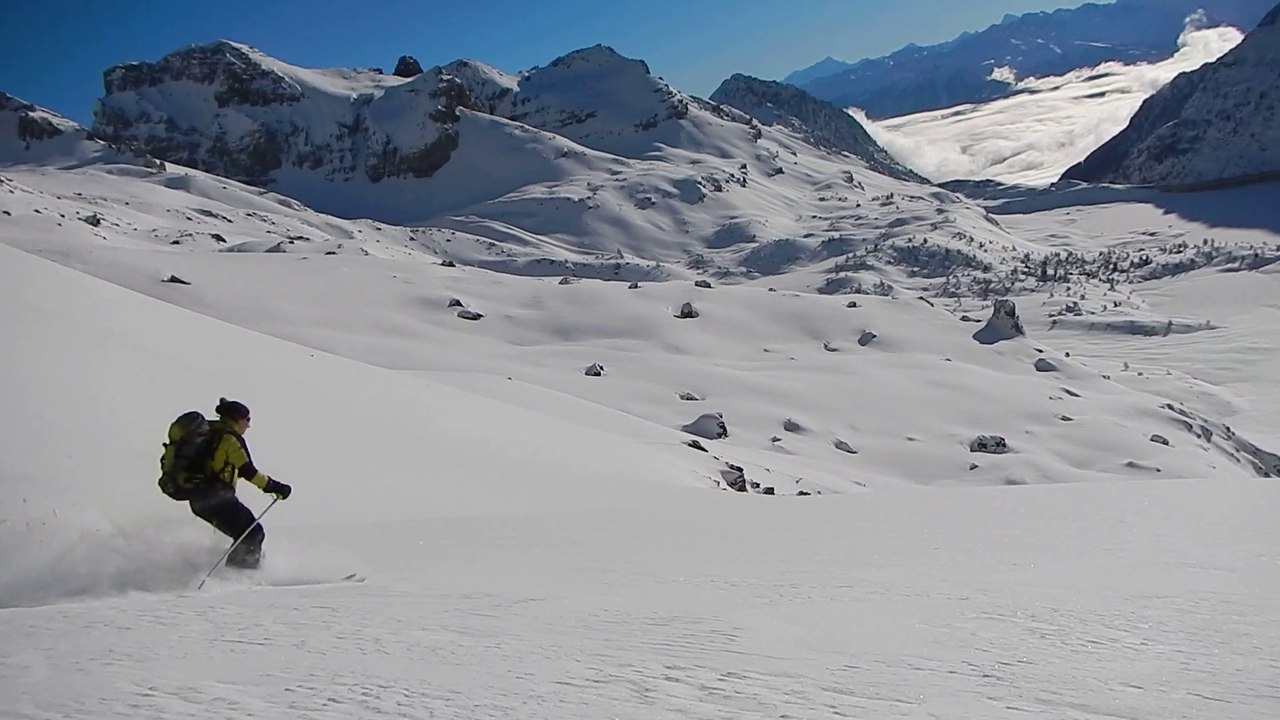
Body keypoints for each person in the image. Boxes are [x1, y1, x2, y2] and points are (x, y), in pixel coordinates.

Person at [189, 398, 292, 569]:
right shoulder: (229, 439)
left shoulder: (210, 433)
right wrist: (275, 487)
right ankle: (239, 577)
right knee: (253, 533)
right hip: (217, 498)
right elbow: (248, 471)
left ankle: (233, 573)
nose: (249, 425)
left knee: (244, 534)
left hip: (199, 499)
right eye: (247, 420)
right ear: (237, 419)